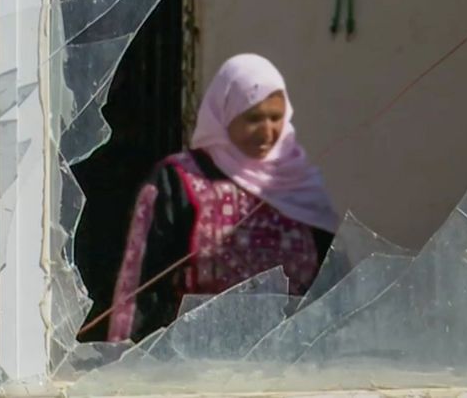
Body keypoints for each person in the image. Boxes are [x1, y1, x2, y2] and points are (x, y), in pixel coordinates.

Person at [107, 54, 338, 342]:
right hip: (197, 357)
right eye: (253, 118)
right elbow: (140, 282)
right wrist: (129, 354)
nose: (267, 132)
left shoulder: (300, 185)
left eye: (275, 118)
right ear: (225, 113)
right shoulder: (177, 181)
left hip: (290, 355)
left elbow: (333, 283)